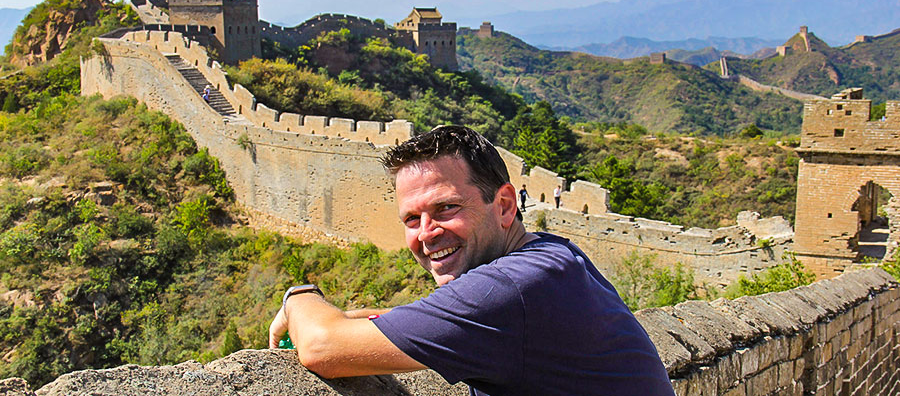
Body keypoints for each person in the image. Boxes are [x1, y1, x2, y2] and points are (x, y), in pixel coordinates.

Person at [268, 126, 674, 395]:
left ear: (504, 205)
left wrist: (299, 298)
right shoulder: (552, 255)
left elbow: (322, 347)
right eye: (412, 218)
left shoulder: (511, 288)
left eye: (446, 208)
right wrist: (366, 318)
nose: (426, 232)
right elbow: (462, 316)